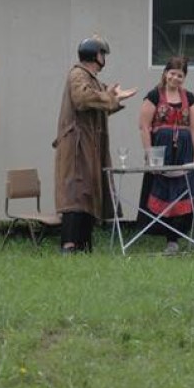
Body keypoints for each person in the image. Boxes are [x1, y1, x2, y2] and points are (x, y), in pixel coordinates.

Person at [53, 35, 137, 253]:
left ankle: (83, 245)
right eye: (102, 53)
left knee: (88, 193)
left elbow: (99, 106)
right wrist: (109, 97)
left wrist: (115, 98)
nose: (103, 58)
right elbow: (82, 99)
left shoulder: (92, 79)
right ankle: (69, 245)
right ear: (94, 55)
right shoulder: (78, 74)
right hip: (78, 145)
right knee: (76, 193)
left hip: (89, 144)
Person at [137, 56, 194, 255]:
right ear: (165, 73)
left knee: (188, 191)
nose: (175, 78)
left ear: (184, 78)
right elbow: (144, 126)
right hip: (161, 152)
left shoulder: (190, 98)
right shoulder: (153, 96)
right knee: (165, 193)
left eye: (180, 75)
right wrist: (149, 154)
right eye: (172, 73)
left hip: (185, 153)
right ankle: (170, 240)